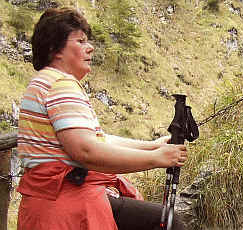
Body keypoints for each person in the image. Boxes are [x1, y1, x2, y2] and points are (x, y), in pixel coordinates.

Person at [17, 7, 187, 230]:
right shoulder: (61, 85)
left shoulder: (42, 83)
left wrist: (151, 147)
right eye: (80, 41)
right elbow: (86, 150)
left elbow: (96, 138)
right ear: (54, 49)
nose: (90, 48)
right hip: (68, 204)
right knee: (170, 223)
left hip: (44, 203)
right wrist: (157, 159)